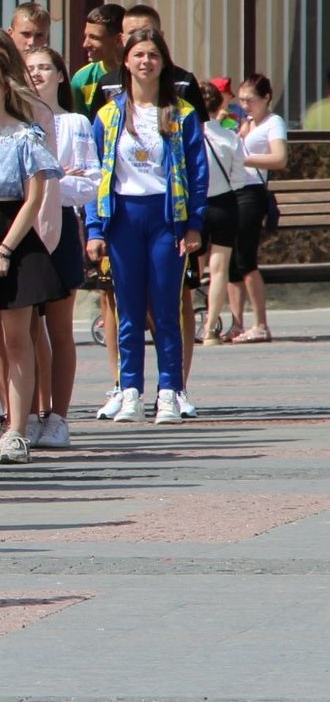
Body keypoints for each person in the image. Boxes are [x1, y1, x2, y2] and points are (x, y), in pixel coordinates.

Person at [85, 28, 208, 424]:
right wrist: (94, 229)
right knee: (128, 310)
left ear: (163, 62)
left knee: (167, 307)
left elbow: (198, 174)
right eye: (139, 54)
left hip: (166, 218)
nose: (145, 62)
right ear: (126, 61)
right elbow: (94, 174)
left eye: (153, 55)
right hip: (123, 218)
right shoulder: (108, 114)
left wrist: (194, 225)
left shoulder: (181, 113)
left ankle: (170, 390)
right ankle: (131, 389)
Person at [0, 52, 63, 464]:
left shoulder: (25, 135)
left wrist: (5, 250)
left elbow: (34, 196)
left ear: (6, 86)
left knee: (18, 338)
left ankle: (17, 430)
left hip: (13, 230)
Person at [26, 44, 97, 448]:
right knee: (27, 327)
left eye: (44, 67)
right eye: (30, 67)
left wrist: (53, 181)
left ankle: (59, 415)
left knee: (59, 327)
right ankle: (33, 412)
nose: (36, 74)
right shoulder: (21, 121)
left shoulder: (75, 123)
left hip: (62, 229)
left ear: (59, 75)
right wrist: (56, 177)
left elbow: (88, 183)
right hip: (23, 228)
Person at [232, 73, 289, 343]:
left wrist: (243, 158)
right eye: (241, 100)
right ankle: (236, 322)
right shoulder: (247, 122)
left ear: (266, 98)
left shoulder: (273, 123)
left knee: (245, 259)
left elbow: (279, 159)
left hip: (252, 193)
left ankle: (261, 323)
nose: (245, 105)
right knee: (232, 262)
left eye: (250, 100)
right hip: (234, 190)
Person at [197, 82, 247, 346]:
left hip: (196, 205)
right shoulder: (230, 138)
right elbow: (239, 178)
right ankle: (209, 329)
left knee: (193, 267)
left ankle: (185, 317)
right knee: (219, 269)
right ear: (219, 106)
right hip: (224, 204)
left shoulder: (189, 137)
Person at [72, 3, 126, 116]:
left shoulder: (140, 74)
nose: (85, 44)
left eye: (94, 38)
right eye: (86, 36)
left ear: (118, 40)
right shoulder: (82, 79)